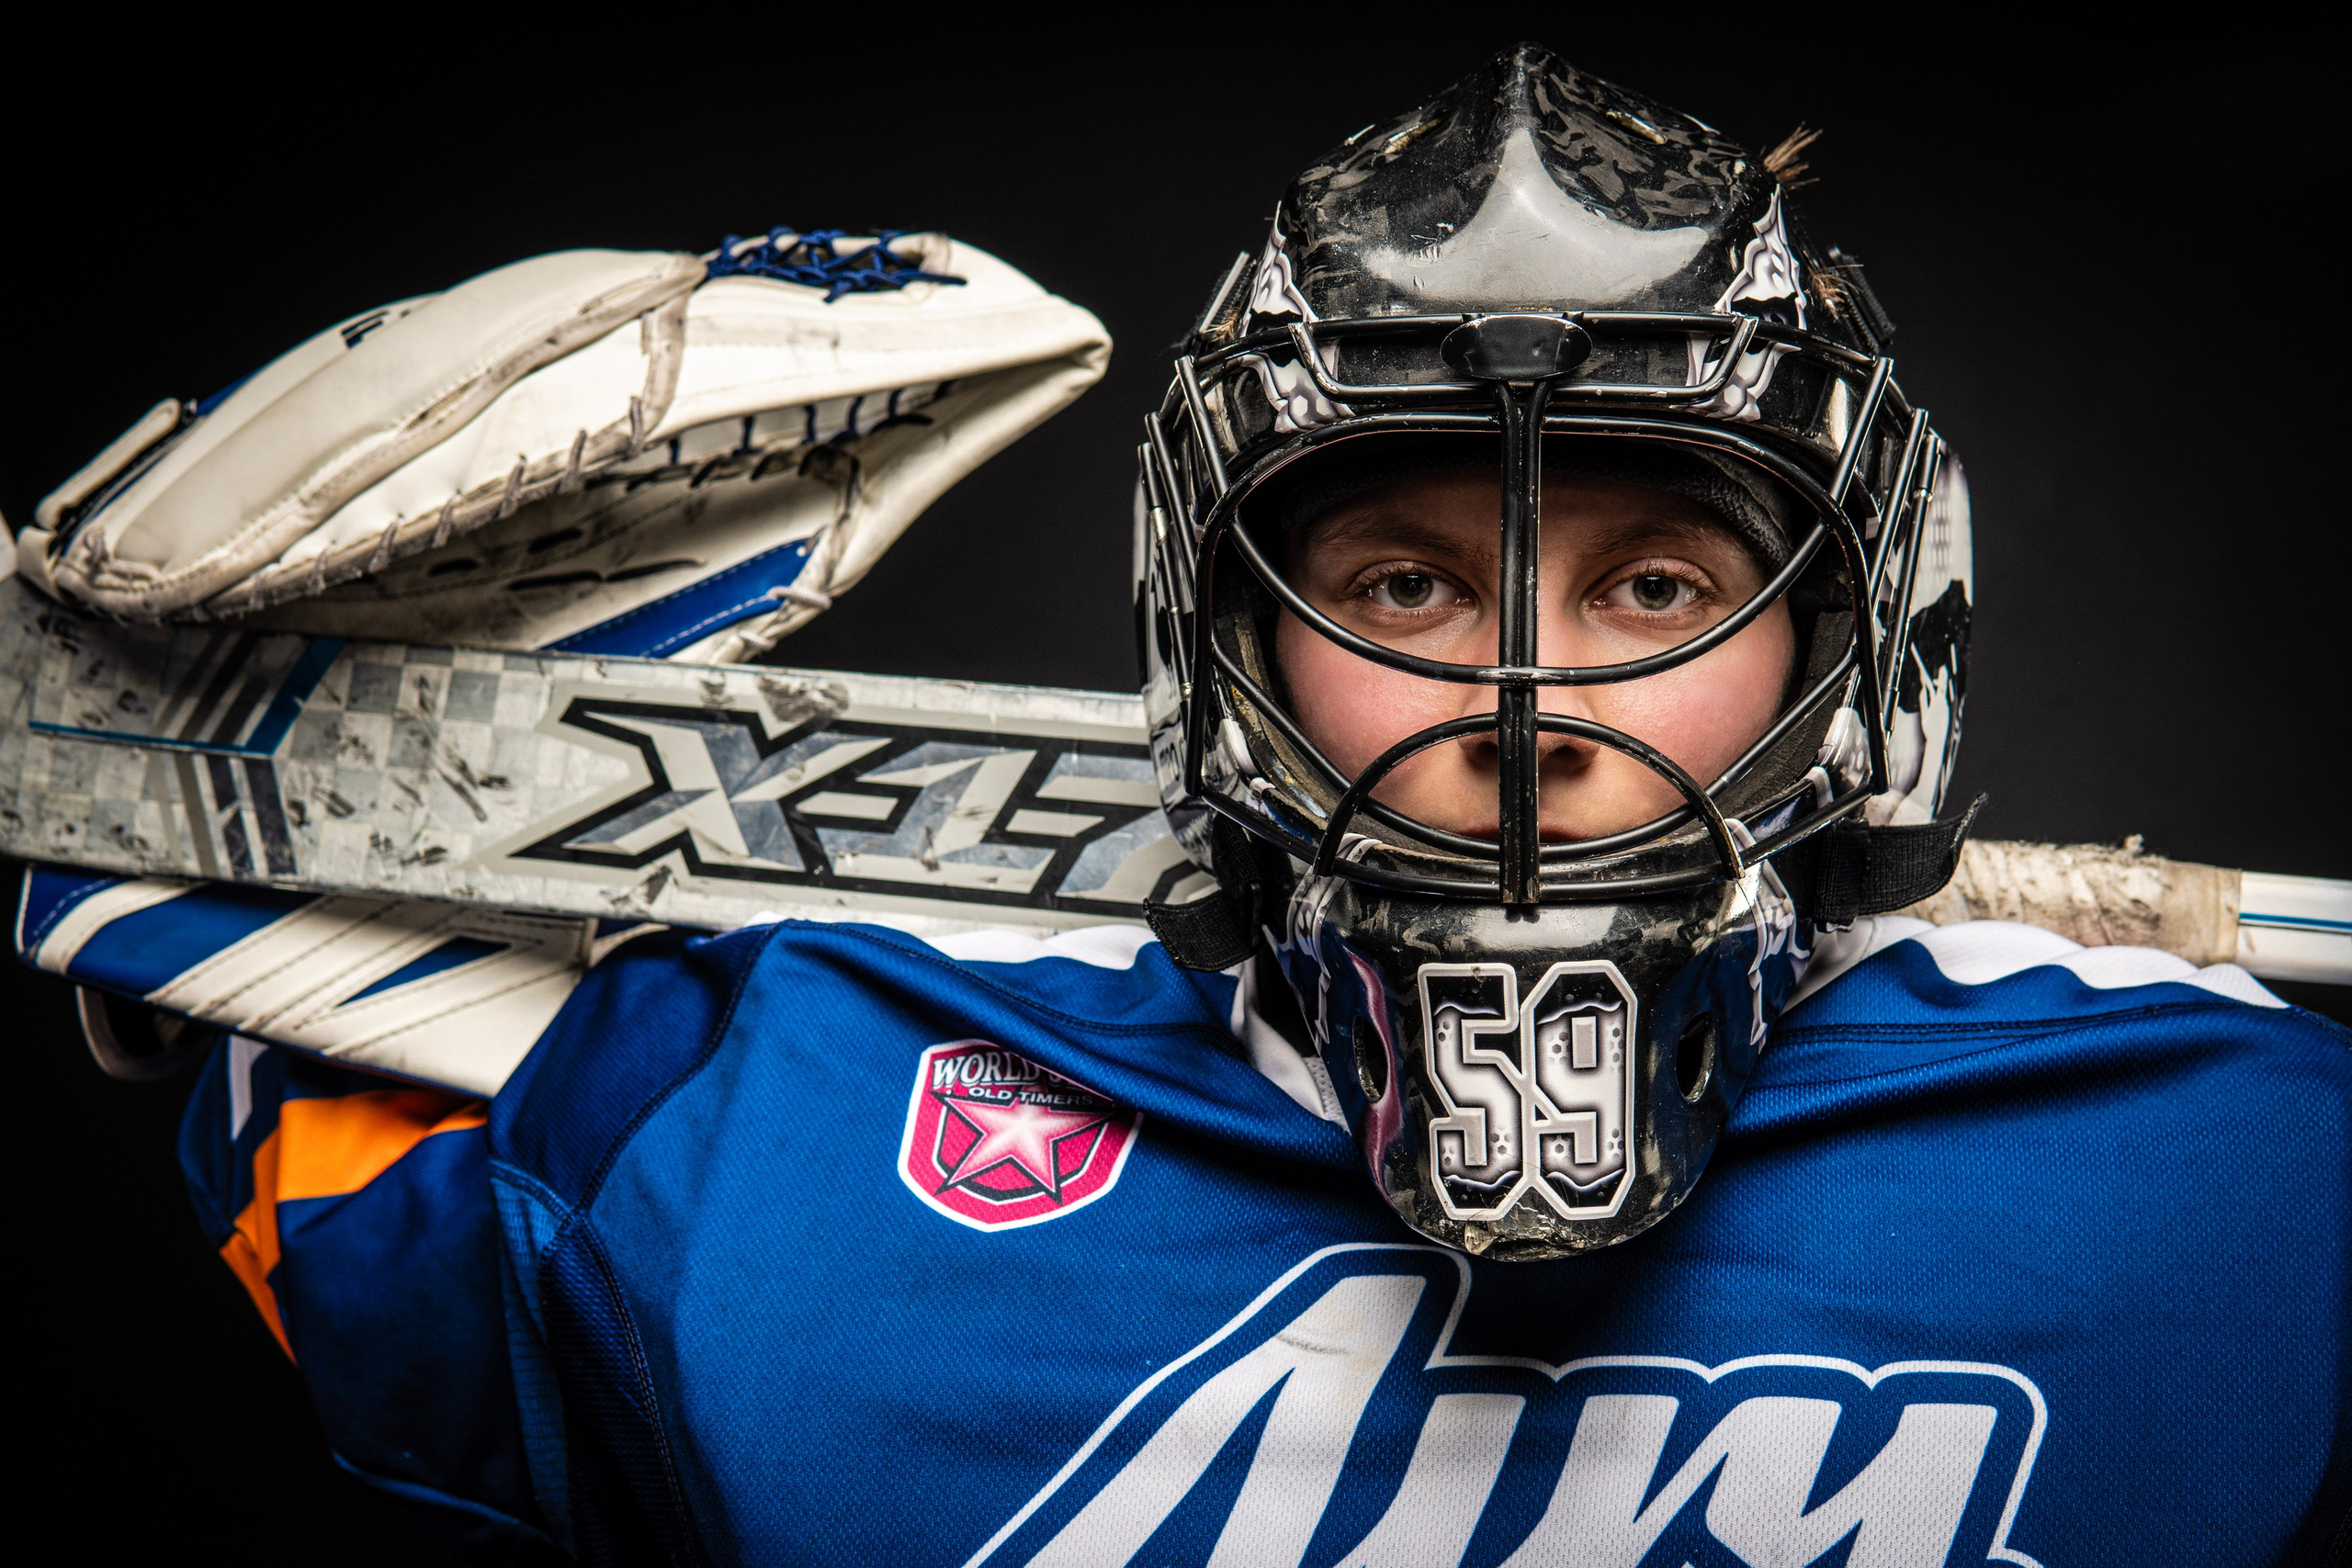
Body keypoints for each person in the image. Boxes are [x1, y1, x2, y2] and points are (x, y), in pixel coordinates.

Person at [146, 43, 2351, 1566]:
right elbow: (206, 936)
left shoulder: (2249, 1178)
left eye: (1658, 579)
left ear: (1857, 640)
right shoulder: (777, 1128)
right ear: (1218, 632)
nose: (1517, 695)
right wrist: (281, 753)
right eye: (1398, 576)